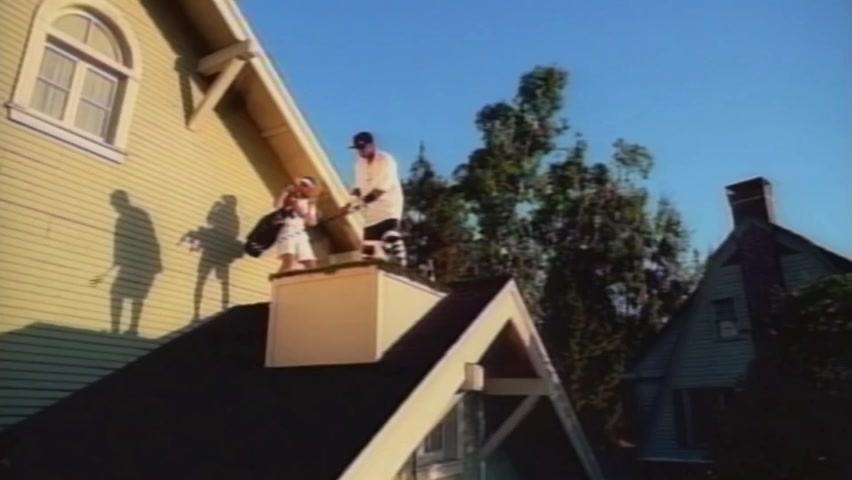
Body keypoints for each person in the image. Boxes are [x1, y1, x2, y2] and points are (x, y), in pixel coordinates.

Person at [347, 131, 406, 264]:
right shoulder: (359, 164)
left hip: (389, 207)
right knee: (368, 251)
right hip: (371, 213)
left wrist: (361, 203)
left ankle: (402, 264)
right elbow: (357, 188)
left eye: (363, 147)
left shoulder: (386, 160)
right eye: (358, 148)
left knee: (390, 236)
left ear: (372, 145)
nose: (360, 151)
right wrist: (348, 204)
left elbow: (381, 189)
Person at [274, 176, 320, 273]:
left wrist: (310, 206)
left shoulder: (309, 202)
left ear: (310, 188)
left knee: (311, 264)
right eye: (301, 184)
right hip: (287, 230)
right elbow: (277, 207)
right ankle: (277, 280)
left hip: (300, 233)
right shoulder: (289, 197)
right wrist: (284, 192)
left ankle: (312, 282)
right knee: (288, 261)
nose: (302, 186)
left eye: (305, 185)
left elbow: (312, 222)